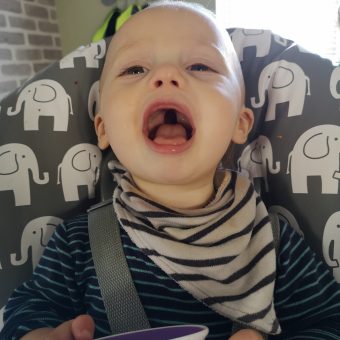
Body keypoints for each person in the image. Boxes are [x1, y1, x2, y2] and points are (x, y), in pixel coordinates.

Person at [1, 1, 340, 339]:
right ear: (102, 128)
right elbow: (25, 309)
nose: (166, 76)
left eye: (199, 66)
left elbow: (329, 323)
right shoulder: (77, 245)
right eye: (134, 69)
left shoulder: (273, 242)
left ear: (240, 123)